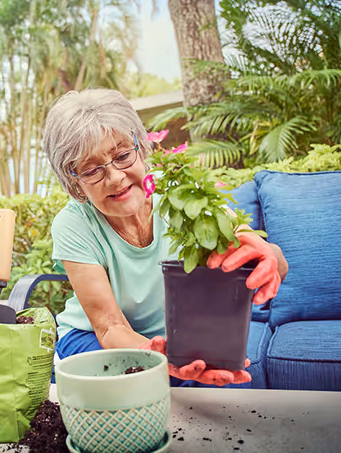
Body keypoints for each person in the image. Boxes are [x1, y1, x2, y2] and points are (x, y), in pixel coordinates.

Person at [43, 88, 288, 387]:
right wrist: (164, 361)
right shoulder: (73, 223)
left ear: (141, 149)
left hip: (172, 336)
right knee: (138, 385)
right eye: (92, 170)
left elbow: (263, 252)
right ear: (75, 183)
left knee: (209, 386)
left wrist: (270, 258)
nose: (116, 177)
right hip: (91, 337)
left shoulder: (180, 192)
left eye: (122, 155)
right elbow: (109, 327)